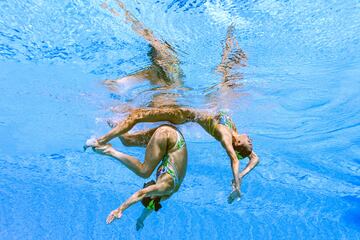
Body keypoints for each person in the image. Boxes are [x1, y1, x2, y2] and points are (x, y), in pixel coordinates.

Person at [85, 107, 259, 203]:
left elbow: (235, 160)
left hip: (182, 115)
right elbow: (254, 159)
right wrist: (243, 175)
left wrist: (237, 185)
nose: (251, 142)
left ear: (236, 145)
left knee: (137, 116)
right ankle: (118, 131)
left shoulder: (227, 137)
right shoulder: (236, 135)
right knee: (130, 140)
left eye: (248, 145)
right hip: (176, 129)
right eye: (251, 145)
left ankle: (101, 139)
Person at [93, 124, 187, 228]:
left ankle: (117, 123)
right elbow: (141, 194)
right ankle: (110, 151)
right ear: (151, 194)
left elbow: (151, 205)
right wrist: (120, 209)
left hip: (169, 135)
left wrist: (141, 219)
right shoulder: (165, 186)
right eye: (146, 186)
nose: (146, 184)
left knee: (127, 141)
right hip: (166, 135)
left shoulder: (164, 194)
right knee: (144, 172)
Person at [100, 0, 184, 107]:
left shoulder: (154, 73)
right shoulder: (158, 73)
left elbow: (117, 84)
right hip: (164, 98)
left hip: (162, 99)